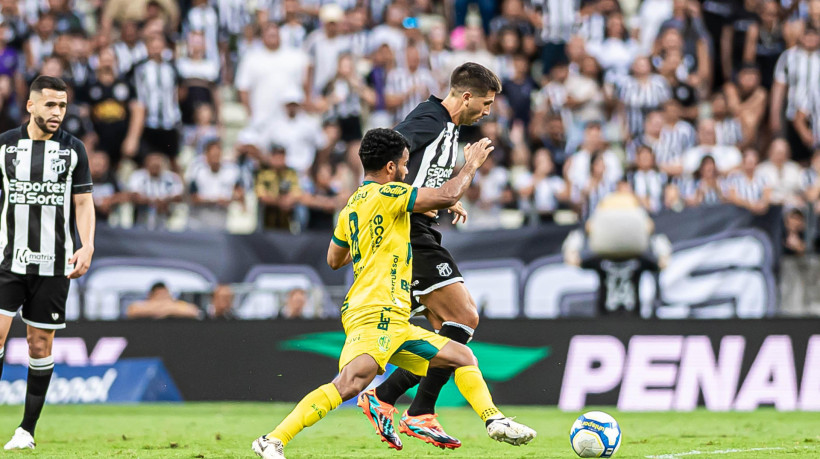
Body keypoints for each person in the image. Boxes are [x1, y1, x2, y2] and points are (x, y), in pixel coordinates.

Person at [251, 128, 535, 459]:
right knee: (350, 383)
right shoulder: (390, 194)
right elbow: (446, 194)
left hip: (394, 319)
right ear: (390, 167)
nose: (406, 170)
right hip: (375, 313)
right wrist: (470, 164)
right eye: (403, 164)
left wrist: (374, 239)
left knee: (462, 356)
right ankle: (273, 439)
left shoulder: (353, 206)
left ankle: (494, 419)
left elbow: (334, 259)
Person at [360, 62, 501, 449]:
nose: (487, 112)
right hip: (407, 231)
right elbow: (386, 157)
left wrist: (441, 199)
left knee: (448, 330)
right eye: (486, 103)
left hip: (417, 227)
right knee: (464, 317)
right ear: (467, 96)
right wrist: (399, 201)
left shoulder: (448, 129)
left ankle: (390, 399)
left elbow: (418, 171)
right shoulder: (431, 118)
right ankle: (412, 408)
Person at [0, 75, 95, 450]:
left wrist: (87, 245)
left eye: (63, 105)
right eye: (51, 104)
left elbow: (83, 203)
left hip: (54, 265)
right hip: (7, 261)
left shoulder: (73, 150)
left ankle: (26, 431)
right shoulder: (5, 146)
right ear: (31, 105)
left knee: (39, 346)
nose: (57, 112)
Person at [125, 282, 201, 319]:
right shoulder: (141, 305)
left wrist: (169, 309)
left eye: (165, 295)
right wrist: (158, 308)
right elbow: (132, 311)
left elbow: (193, 311)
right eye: (159, 296)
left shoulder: (179, 304)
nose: (163, 299)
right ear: (151, 296)